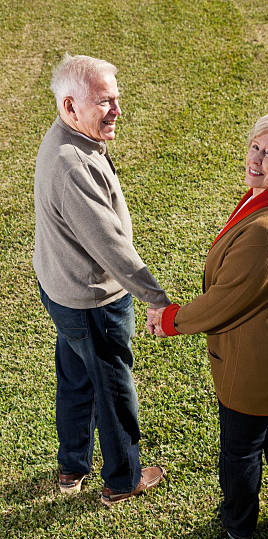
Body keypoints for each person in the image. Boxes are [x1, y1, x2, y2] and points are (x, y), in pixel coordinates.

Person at [147, 111, 268, 539]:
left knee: (242, 449)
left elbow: (226, 300)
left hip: (259, 362)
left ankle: (240, 528)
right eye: (256, 147)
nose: (258, 159)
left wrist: (170, 320)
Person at [33, 53, 168, 506]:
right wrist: (155, 297)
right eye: (104, 102)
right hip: (91, 302)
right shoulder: (74, 164)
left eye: (117, 99)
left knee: (75, 378)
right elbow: (110, 245)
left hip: (61, 290)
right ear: (70, 107)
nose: (117, 110)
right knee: (112, 389)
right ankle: (123, 478)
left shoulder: (61, 140)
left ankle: (72, 467)